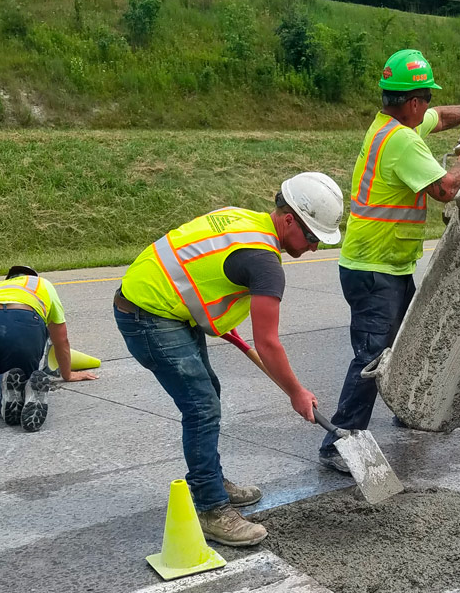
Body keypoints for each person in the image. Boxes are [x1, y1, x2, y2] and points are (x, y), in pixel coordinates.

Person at [115, 174, 342, 548]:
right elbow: (268, 343)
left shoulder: (241, 218)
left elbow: (202, 268)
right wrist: (296, 392)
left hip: (161, 303)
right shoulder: (266, 263)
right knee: (202, 406)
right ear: (289, 220)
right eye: (313, 237)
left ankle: (209, 480)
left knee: (209, 394)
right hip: (148, 314)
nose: (315, 247)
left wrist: (213, 318)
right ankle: (211, 509)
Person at [319, 48, 460, 472]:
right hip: (375, 268)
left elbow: (441, 116)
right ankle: (341, 441)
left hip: (386, 264)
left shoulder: (390, 123)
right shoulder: (402, 142)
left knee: (399, 343)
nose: (426, 106)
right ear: (412, 102)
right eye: (423, 98)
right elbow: (445, 190)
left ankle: (403, 405)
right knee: (372, 355)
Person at [0, 266, 95, 432]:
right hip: (23, 321)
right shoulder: (43, 285)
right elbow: (61, 339)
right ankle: (24, 388)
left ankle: (0, 389)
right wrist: (67, 374)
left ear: (9, 279)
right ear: (33, 277)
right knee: (20, 376)